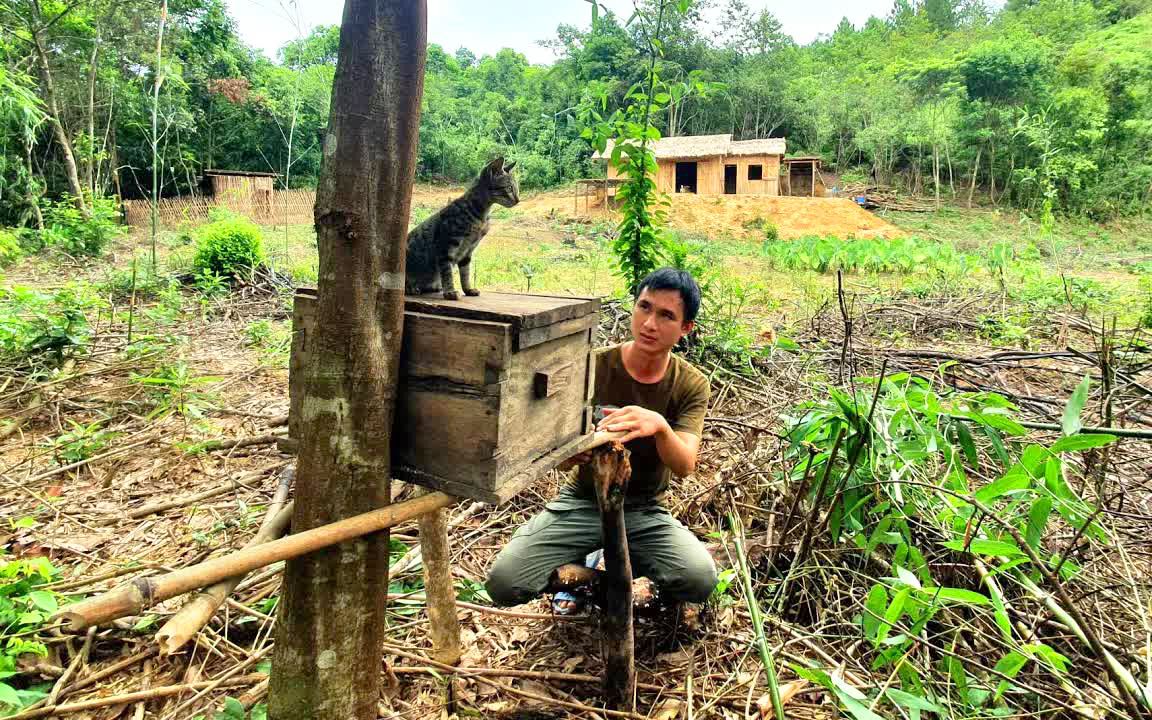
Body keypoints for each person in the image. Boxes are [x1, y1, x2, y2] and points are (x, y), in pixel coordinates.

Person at [485, 267, 717, 613]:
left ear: (686, 329)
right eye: (644, 307)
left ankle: (630, 581)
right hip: (583, 502)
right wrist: (568, 454)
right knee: (505, 583)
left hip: (643, 508)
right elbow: (550, 449)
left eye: (667, 315)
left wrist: (659, 427)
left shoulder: (690, 384)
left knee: (698, 580)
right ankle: (599, 582)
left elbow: (685, 464)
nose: (650, 323)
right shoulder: (592, 365)